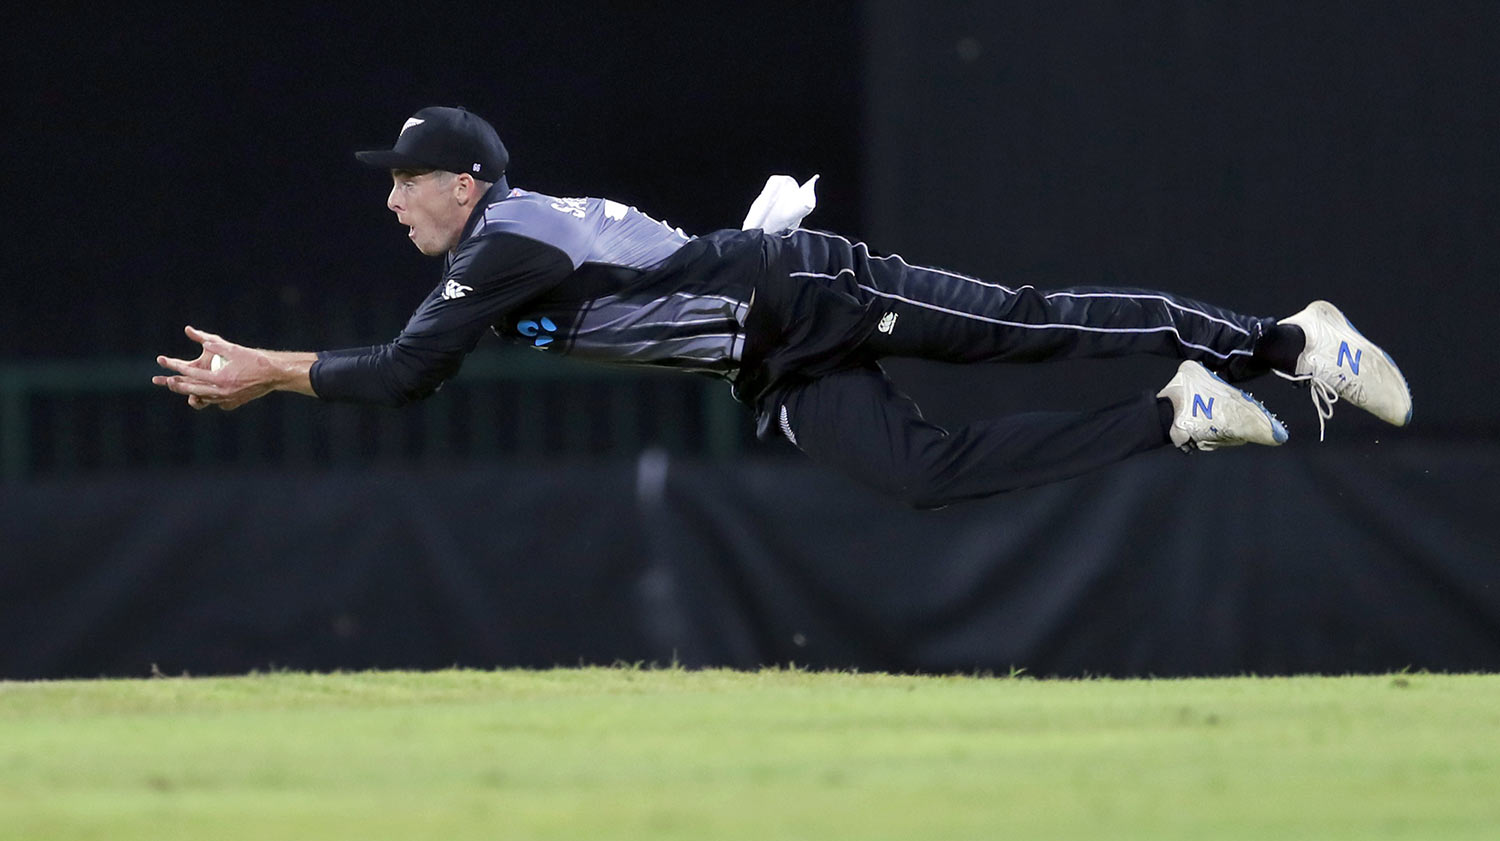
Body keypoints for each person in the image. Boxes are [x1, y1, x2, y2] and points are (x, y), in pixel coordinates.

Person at [154, 106, 1412, 509]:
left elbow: (405, 375)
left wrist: (267, 366)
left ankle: (1290, 337)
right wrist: (745, 234)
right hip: (773, 344)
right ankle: (1178, 412)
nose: (393, 203)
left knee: (1029, 320)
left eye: (406, 181)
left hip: (803, 296)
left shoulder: (499, 240)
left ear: (464, 181)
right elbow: (650, 257)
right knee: (918, 475)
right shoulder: (517, 232)